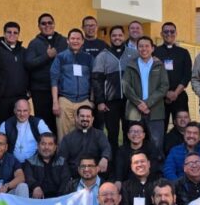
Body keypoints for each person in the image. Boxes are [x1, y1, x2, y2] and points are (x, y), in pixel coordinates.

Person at [92, 25, 136, 155]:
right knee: (112, 134)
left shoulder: (133, 54)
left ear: (124, 36)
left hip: (130, 101)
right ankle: (113, 164)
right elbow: (96, 80)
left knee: (130, 132)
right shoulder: (103, 56)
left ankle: (130, 161)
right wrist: (100, 101)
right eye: (114, 35)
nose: (117, 38)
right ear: (110, 38)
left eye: (119, 35)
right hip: (111, 102)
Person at [122, 36, 169, 152]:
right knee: (134, 144)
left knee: (156, 145)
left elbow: (164, 86)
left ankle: (155, 169)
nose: (144, 49)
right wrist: (139, 104)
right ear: (137, 49)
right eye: (141, 46)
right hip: (135, 111)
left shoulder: (159, 65)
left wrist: (147, 103)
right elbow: (126, 87)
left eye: (147, 46)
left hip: (155, 111)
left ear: (152, 48)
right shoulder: (131, 65)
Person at [25, 12, 67, 133]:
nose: (47, 25)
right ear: (39, 26)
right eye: (43, 23)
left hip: (61, 90)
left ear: (54, 24)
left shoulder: (63, 41)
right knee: (44, 124)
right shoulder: (34, 43)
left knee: (61, 123)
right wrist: (46, 56)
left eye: (50, 23)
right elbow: (29, 64)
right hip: (41, 91)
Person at [51, 28, 95, 139]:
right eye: (73, 38)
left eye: (78, 39)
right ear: (68, 40)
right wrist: (55, 102)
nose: (75, 41)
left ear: (82, 41)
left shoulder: (89, 58)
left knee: (85, 135)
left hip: (84, 101)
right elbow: (54, 80)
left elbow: (94, 79)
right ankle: (64, 156)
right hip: (65, 101)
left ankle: (84, 156)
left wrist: (92, 100)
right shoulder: (60, 57)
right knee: (64, 136)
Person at [154, 22, 192, 130]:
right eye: (166, 31)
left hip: (179, 96)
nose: (169, 34)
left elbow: (187, 75)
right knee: (160, 129)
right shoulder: (155, 52)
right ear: (161, 34)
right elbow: (152, 76)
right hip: (160, 98)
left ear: (176, 33)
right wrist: (165, 93)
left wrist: (175, 93)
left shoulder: (183, 53)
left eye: (172, 31)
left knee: (182, 128)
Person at [57, 106, 111, 178]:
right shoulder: (68, 138)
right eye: (82, 116)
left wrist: (105, 158)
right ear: (76, 118)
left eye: (88, 116)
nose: (85, 119)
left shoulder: (99, 135)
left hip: (96, 175)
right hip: (75, 177)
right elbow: (62, 159)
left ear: (92, 119)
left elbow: (106, 148)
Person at [0, 21, 30, 124]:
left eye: (15, 33)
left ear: (18, 34)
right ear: (4, 33)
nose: (12, 35)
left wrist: (29, 88)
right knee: (2, 124)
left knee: (19, 124)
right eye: (9, 32)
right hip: (3, 97)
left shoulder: (23, 51)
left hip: (20, 96)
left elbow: (29, 70)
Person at [0, 99, 49, 164]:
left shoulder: (38, 123)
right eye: (19, 111)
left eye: (25, 110)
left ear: (30, 111)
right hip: (13, 164)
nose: (22, 114)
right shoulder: (6, 124)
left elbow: (49, 141)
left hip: (34, 163)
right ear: (14, 111)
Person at [22, 133, 69, 199]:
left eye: (50, 144)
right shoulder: (30, 162)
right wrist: (35, 186)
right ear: (38, 146)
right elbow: (28, 178)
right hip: (37, 200)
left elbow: (65, 181)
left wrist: (59, 198)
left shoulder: (62, 162)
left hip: (59, 200)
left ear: (55, 147)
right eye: (43, 144)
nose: (46, 147)